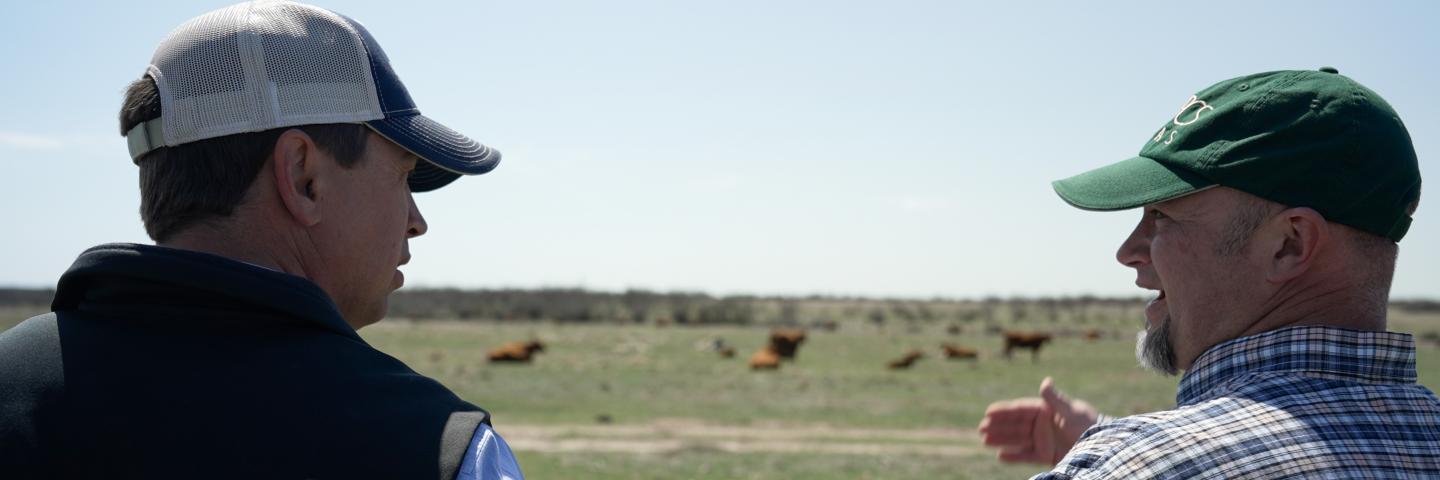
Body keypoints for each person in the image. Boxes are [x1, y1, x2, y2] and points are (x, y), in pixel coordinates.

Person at [0, 2, 523, 479]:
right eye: (403, 176)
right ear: (303, 178)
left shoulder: (13, 385)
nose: (416, 220)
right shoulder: (443, 450)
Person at [978, 68, 1439, 478]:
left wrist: (1113, 459)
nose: (1128, 251)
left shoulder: (1131, 465)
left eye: (1162, 216)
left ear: (1289, 244)